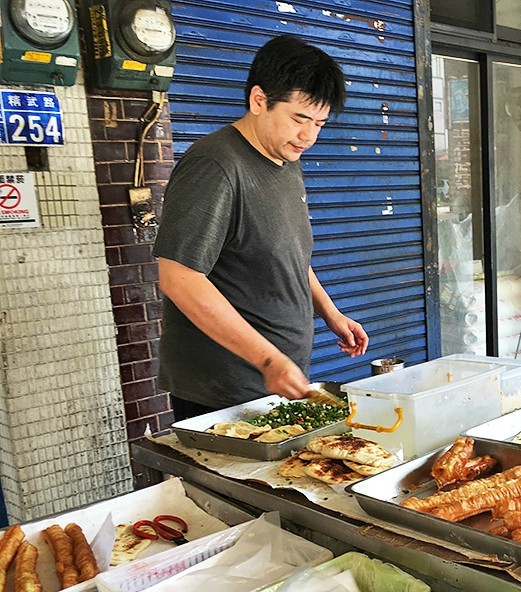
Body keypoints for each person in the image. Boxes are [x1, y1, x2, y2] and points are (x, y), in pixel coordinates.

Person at [154, 34, 368, 421]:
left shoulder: (286, 161)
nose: (309, 136)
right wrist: (268, 360)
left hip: (272, 382)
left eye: (319, 123)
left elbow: (287, 253)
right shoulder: (216, 165)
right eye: (299, 119)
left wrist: (330, 312)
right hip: (223, 391)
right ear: (258, 100)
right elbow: (179, 278)